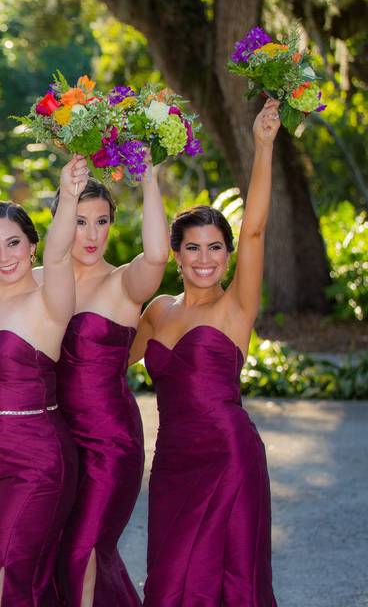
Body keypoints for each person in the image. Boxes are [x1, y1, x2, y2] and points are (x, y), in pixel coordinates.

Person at [131, 99, 281, 606]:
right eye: (193, 248)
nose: (204, 259)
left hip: (229, 458)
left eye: (215, 247)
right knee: (170, 583)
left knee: (232, 580)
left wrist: (263, 147)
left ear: (228, 254)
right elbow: (98, 363)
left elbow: (256, 228)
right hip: (172, 462)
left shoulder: (236, 307)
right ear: (175, 254)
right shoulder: (155, 312)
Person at [0, 156, 87, 606]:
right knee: (0, 577)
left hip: (36, 465)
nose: (4, 256)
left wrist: (67, 196)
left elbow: (60, 252)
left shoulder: (49, 301)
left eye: (13, 243)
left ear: (32, 246)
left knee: (3, 573)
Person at [54, 159, 168, 606]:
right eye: (80, 222)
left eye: (102, 221)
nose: (92, 234)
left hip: (109, 441)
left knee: (83, 549)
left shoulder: (124, 283)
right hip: (54, 441)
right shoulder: (40, 283)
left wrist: (151, 177)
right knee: (61, 548)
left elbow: (158, 256)